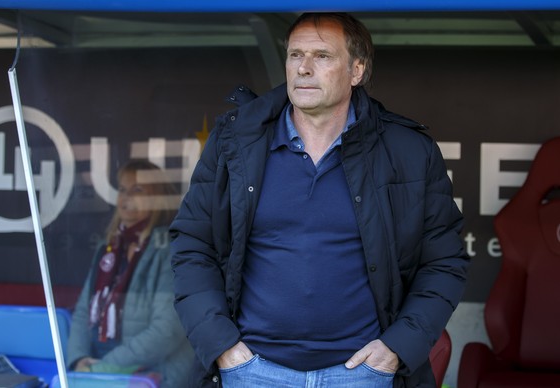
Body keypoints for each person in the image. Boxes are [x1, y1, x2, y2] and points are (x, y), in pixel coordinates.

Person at [169, 12, 469, 388]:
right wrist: (221, 346)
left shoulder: (408, 149)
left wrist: (396, 348)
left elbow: (444, 260)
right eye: (296, 55)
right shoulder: (236, 142)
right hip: (251, 371)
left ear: (356, 71)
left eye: (322, 56)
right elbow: (193, 244)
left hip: (362, 374)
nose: (304, 69)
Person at [68, 159, 193, 387]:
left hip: (152, 374)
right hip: (98, 367)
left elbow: (166, 331)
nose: (126, 198)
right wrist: (79, 360)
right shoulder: (109, 247)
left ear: (157, 198)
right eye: (123, 190)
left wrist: (103, 369)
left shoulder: (171, 247)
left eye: (138, 190)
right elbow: (82, 312)